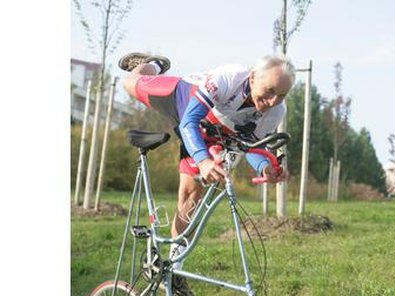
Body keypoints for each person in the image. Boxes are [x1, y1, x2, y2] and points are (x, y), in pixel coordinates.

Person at [119, 52, 295, 295]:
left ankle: (173, 268)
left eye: (282, 95)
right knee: (129, 83)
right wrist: (202, 161)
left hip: (214, 132)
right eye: (270, 90)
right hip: (184, 101)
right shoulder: (228, 78)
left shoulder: (276, 111)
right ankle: (151, 65)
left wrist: (265, 167)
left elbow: (251, 145)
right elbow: (188, 122)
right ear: (253, 77)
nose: (274, 100)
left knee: (192, 197)